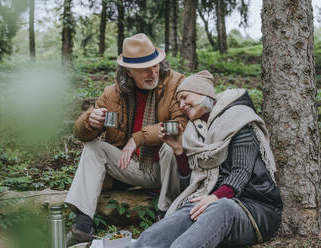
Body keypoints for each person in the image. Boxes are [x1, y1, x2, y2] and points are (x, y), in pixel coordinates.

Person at [129, 71, 283, 248]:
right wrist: (179, 149)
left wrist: (215, 197)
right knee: (178, 217)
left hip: (255, 209)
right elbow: (192, 185)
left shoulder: (240, 120)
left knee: (221, 207)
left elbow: (241, 172)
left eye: (185, 97)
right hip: (212, 204)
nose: (182, 105)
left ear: (203, 93)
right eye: (179, 101)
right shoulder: (196, 132)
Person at [65, 33, 188, 245]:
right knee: (94, 148)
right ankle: (83, 224)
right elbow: (80, 134)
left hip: (169, 170)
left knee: (170, 145)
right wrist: (90, 121)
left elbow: (179, 127)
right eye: (144, 69)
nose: (152, 73)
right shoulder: (113, 94)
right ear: (129, 71)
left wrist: (139, 137)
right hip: (132, 168)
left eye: (155, 65)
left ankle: (164, 214)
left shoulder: (176, 83)